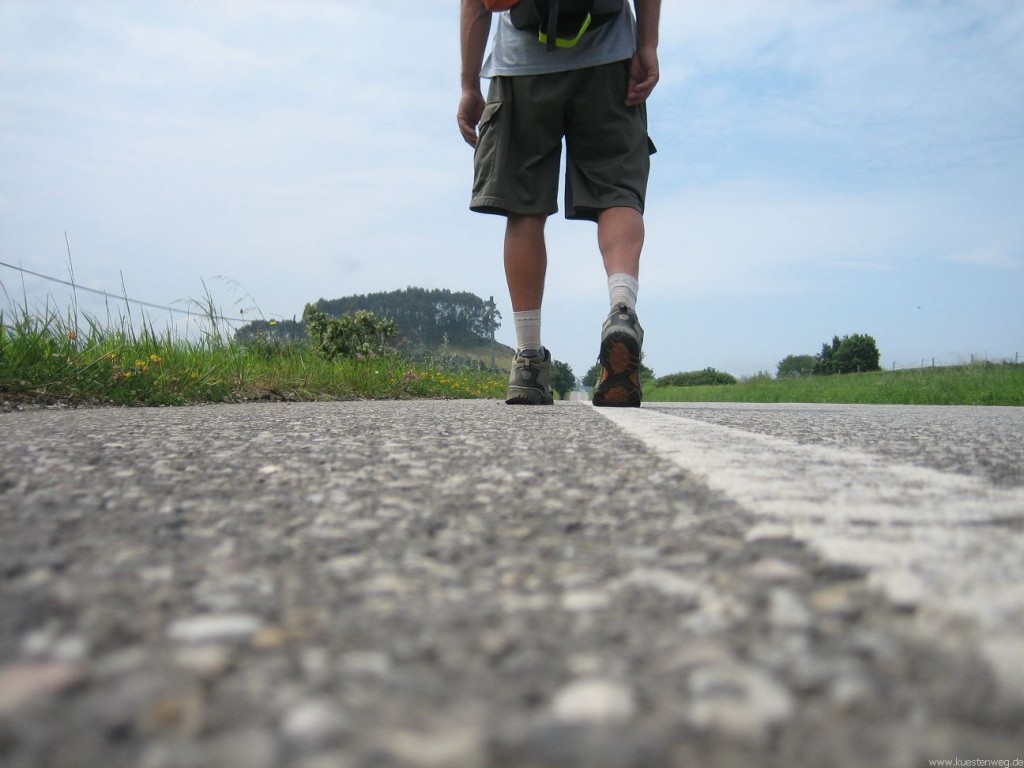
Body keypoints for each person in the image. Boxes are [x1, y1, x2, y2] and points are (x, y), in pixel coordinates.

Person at [458, 0, 660, 407]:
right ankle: (622, 309)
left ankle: (528, 359)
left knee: (524, 208)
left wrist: (468, 84)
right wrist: (648, 45)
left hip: (521, 66)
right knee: (618, 193)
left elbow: (477, 5)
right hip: (610, 59)